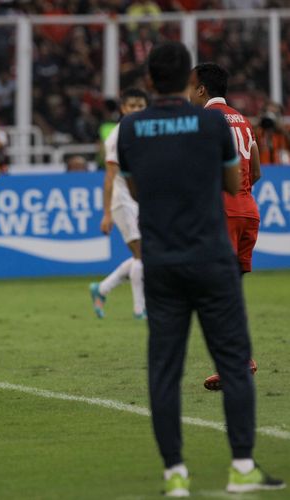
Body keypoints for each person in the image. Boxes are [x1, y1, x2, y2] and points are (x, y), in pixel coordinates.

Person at [117, 41, 284, 496]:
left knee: (163, 368)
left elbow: (133, 189)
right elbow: (236, 180)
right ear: (185, 81)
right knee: (233, 360)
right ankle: (243, 467)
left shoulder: (131, 127)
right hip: (212, 250)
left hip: (165, 256)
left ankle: (174, 476)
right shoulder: (214, 122)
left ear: (150, 81)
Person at [188, 62, 262, 391]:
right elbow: (256, 168)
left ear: (202, 89)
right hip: (247, 211)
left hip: (222, 213)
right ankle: (237, 361)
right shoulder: (242, 120)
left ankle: (234, 363)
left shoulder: (204, 120)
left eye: (190, 86)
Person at [89, 88, 148, 320]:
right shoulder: (117, 136)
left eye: (140, 106)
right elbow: (110, 177)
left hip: (141, 199)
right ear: (123, 108)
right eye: (132, 106)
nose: (136, 110)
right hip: (122, 201)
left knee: (144, 255)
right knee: (143, 255)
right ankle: (139, 309)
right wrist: (106, 214)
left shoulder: (144, 133)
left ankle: (102, 289)